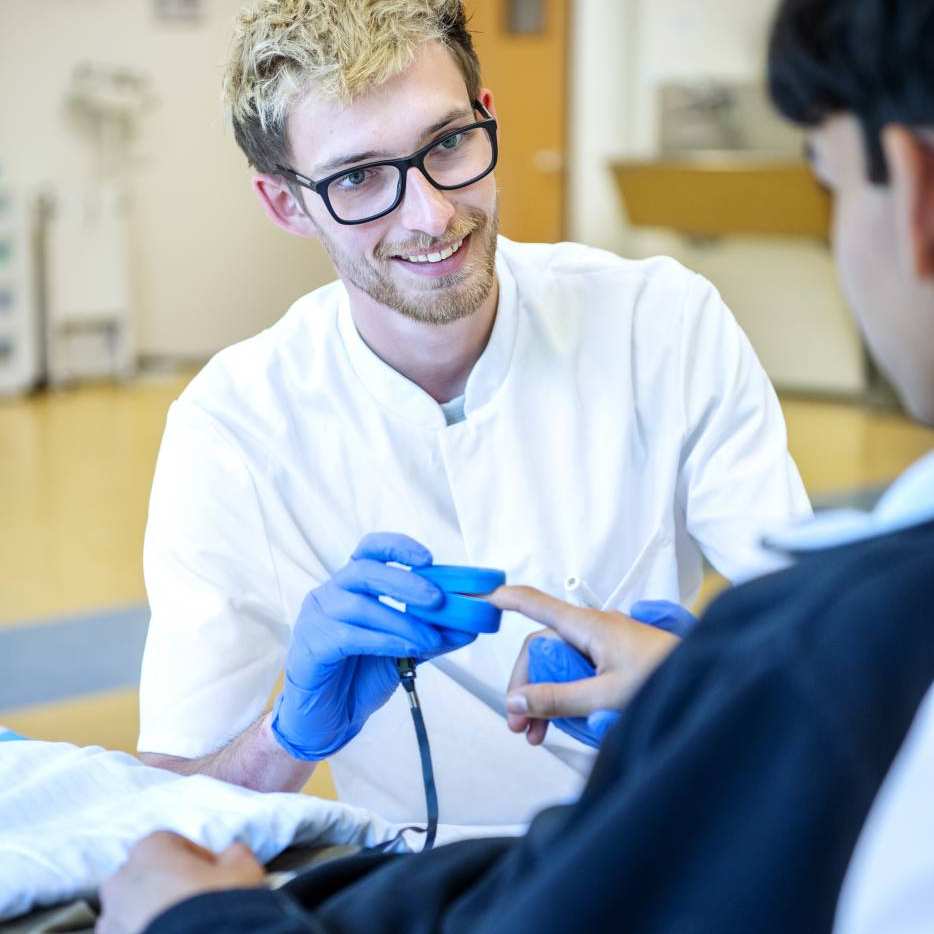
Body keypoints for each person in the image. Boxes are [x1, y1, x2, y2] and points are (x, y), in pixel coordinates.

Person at [95, 0, 934, 931]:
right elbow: (173, 806)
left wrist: (685, 685)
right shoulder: (233, 426)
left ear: (486, 113)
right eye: (362, 177)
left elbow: (841, 675)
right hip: (402, 883)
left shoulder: (662, 324)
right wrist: (286, 735)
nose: (432, 212)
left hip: (643, 855)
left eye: (449, 144)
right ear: (286, 202)